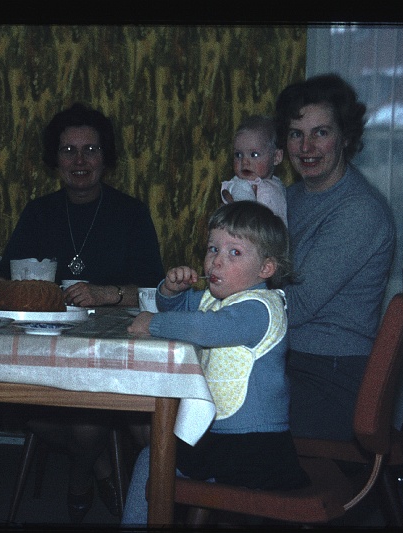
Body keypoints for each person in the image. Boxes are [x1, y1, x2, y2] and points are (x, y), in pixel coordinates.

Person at [0, 102, 165, 521]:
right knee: (22, 402)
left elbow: (156, 293)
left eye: (90, 150)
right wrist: (30, 293)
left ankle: (82, 473)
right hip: (42, 354)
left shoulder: (131, 214)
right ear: (55, 160)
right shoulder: (39, 212)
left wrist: (107, 294)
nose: (79, 161)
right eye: (68, 151)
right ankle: (98, 465)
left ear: (106, 158)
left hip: (114, 358)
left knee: (89, 422)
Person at [122, 201, 309, 525]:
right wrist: (170, 290)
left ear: (266, 268)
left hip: (255, 446)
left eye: (234, 252)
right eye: (213, 248)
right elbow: (180, 310)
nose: (216, 260)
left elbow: (203, 328)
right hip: (222, 439)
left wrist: (151, 323)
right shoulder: (216, 298)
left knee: (155, 458)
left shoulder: (260, 309)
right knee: (155, 457)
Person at [275, 74, 395, 441]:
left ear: (345, 137)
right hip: (288, 364)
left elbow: (294, 304)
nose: (307, 146)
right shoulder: (289, 198)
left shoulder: (359, 210)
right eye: (296, 133)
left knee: (195, 421)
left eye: (321, 132)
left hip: (331, 380)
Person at [221, 115, 287, 224]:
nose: (244, 162)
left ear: (276, 157)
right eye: (238, 155)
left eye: (254, 154)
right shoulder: (241, 186)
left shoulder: (277, 185)